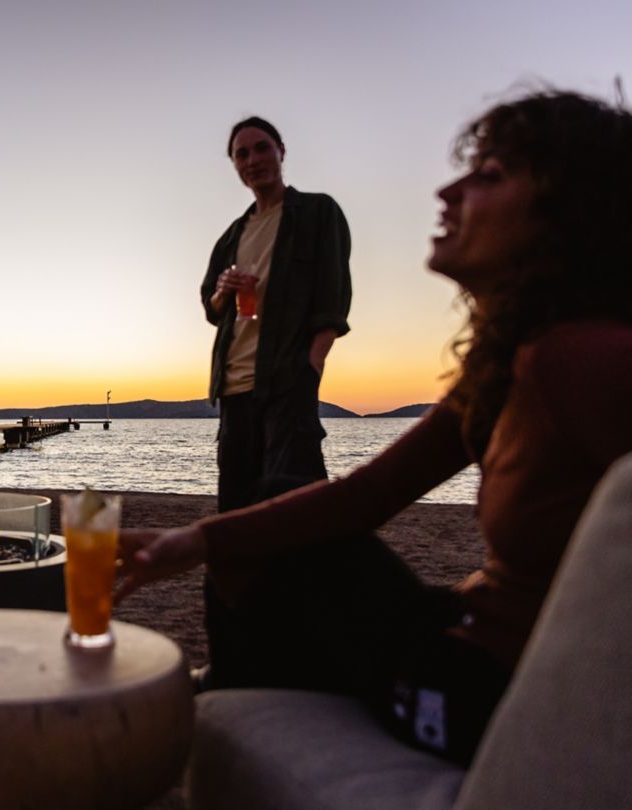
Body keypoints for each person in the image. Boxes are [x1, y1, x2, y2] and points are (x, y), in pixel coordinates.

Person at [123, 90, 632, 766]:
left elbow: (330, 293)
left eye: (488, 175)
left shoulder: (581, 361)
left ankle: (243, 689)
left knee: (275, 505)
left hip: (481, 689)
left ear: (567, 211)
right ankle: (241, 681)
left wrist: (311, 359)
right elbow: (366, 495)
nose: (447, 189)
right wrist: (190, 540)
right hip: (458, 627)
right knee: (262, 517)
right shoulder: (509, 363)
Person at [202, 116, 352, 514]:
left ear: (281, 151)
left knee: (296, 509)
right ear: (234, 165)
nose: (253, 160)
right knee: (235, 512)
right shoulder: (232, 236)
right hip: (233, 390)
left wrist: (311, 368)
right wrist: (223, 292)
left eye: (262, 148)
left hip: (287, 382)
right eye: (242, 154)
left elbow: (333, 299)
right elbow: (211, 308)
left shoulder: (318, 213)